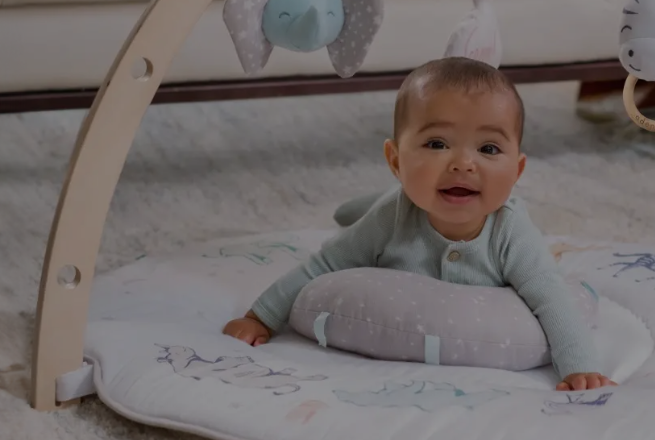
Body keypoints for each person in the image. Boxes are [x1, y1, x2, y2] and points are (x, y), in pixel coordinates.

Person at [218, 57, 616, 391]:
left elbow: (551, 296)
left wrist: (579, 367)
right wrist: (260, 317)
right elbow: (323, 265)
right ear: (395, 161)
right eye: (437, 144)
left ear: (517, 170)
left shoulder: (511, 233)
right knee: (375, 212)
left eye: (489, 148)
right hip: (393, 203)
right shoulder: (392, 217)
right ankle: (361, 205)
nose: (463, 163)